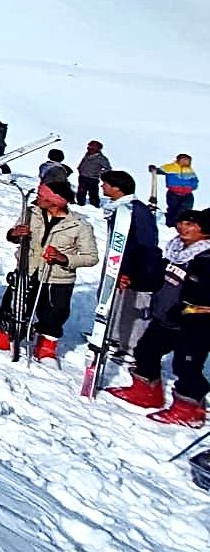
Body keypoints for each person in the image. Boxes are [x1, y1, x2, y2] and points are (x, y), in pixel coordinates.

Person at [106, 209, 210, 427]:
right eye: (181, 223)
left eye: (191, 225)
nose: (183, 227)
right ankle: (147, 392)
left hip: (196, 323)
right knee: (145, 350)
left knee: (186, 365)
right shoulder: (177, 251)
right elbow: (157, 281)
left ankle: (190, 408)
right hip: (166, 316)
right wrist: (133, 280)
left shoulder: (206, 258)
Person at [0, 180, 98, 360]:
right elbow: (12, 235)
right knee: (13, 304)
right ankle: (4, 336)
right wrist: (15, 234)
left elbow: (91, 257)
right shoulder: (31, 213)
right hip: (27, 270)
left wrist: (63, 258)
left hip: (57, 278)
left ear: (56, 199)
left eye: (41, 195)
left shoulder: (79, 226)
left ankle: (46, 347)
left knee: (54, 313)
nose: (37, 198)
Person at [99, 170, 162, 361]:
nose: (102, 187)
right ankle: (114, 338)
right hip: (117, 263)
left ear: (117, 188)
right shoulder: (118, 207)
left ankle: (131, 348)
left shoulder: (137, 211)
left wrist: (131, 271)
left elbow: (147, 243)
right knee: (115, 302)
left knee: (131, 307)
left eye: (106, 184)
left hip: (134, 267)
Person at [152, 154, 199, 226]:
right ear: (178, 160)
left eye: (187, 160)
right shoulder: (170, 168)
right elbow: (159, 171)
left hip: (187, 194)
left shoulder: (190, 171)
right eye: (183, 160)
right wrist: (154, 169)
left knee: (186, 209)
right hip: (173, 193)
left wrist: (192, 186)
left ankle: (182, 223)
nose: (185, 162)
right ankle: (170, 223)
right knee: (173, 208)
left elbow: (195, 180)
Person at [76, 141, 111, 207]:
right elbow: (82, 162)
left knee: (93, 193)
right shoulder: (87, 155)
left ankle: (94, 206)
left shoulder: (101, 158)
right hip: (83, 176)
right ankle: (79, 204)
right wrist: (80, 168)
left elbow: (108, 168)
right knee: (81, 192)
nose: (88, 148)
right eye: (89, 146)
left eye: (91, 146)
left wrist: (98, 173)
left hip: (93, 179)